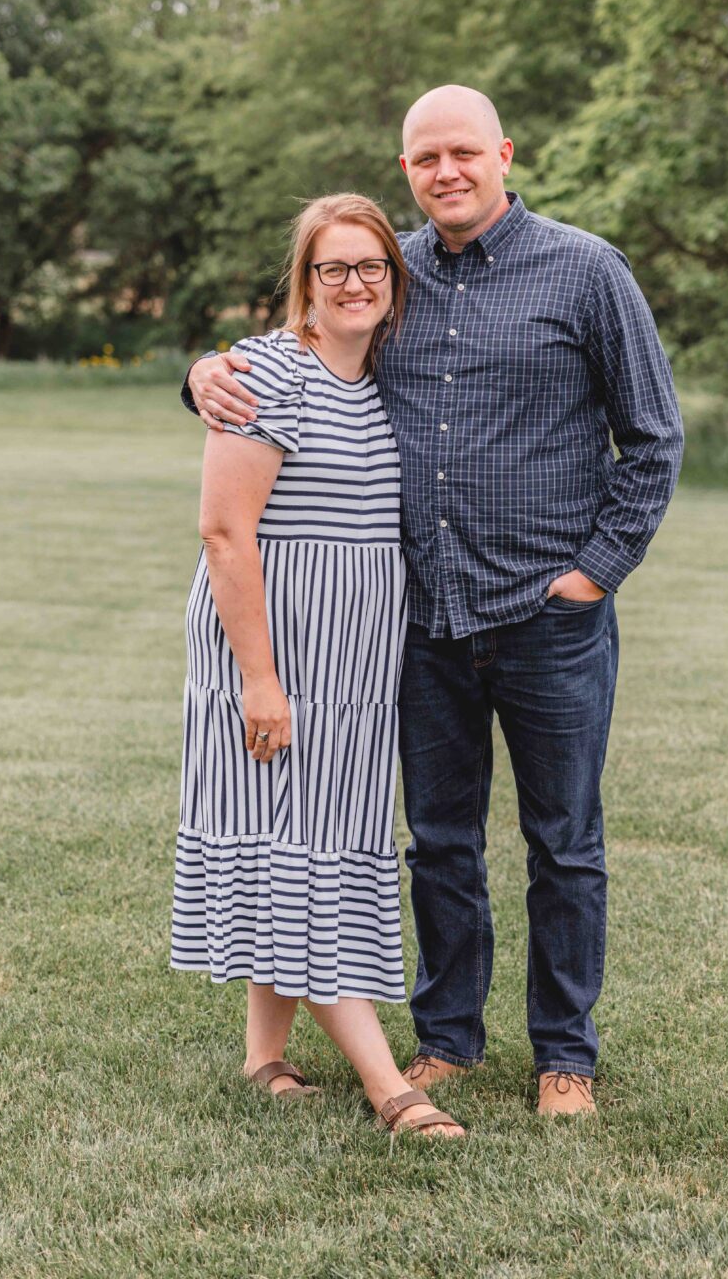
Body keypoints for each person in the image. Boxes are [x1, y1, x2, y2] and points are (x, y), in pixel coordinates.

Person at [185, 86, 683, 1116]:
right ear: (405, 170)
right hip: (423, 623)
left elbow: (652, 436)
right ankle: (447, 1040)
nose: (446, 171)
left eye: (464, 151)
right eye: (425, 158)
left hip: (548, 617)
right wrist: (200, 375)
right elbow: (294, 353)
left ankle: (564, 1057)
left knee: (563, 844)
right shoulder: (389, 274)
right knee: (441, 844)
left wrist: (592, 573)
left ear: (504, 154)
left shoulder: (586, 271)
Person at [171, 191, 464, 1139]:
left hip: (356, 664)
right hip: (276, 650)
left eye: (370, 267)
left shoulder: (380, 376)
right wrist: (260, 681)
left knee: (301, 848)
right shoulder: (269, 372)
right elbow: (224, 533)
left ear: (393, 280)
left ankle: (264, 1056)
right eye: (331, 267)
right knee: (302, 856)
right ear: (304, 280)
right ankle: (388, 1088)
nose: (353, 283)